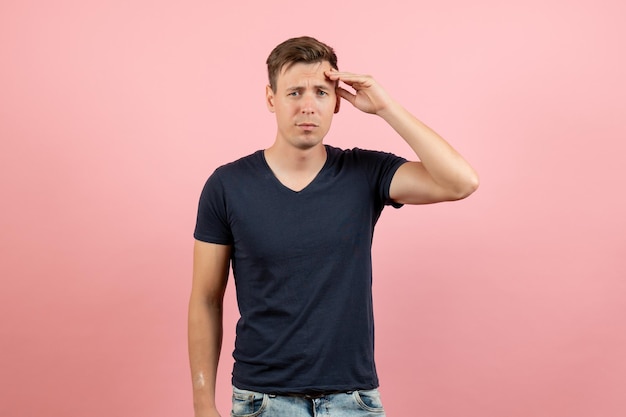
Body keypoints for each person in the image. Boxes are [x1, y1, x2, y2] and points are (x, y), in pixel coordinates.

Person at [188, 36, 479, 417]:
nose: (308, 106)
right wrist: (202, 406)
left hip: (353, 400)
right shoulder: (227, 185)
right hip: (263, 401)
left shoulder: (365, 172)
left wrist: (386, 107)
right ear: (271, 98)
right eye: (294, 92)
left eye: (321, 93)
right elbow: (206, 300)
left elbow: (461, 182)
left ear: (337, 101)